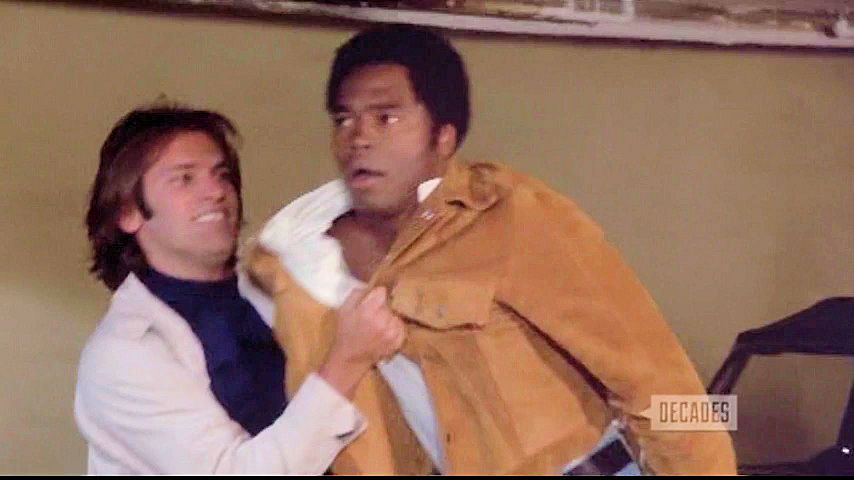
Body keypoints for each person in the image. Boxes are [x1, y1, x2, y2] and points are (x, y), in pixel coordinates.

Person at [249, 24, 738, 475]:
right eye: (343, 119)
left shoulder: (510, 215)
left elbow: (657, 379)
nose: (358, 138)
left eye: (386, 117)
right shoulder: (300, 257)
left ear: (444, 137)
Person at [74, 104, 405, 474]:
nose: (216, 191)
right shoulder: (124, 355)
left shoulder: (277, 287)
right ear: (128, 213)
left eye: (222, 175)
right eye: (185, 179)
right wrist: (347, 361)